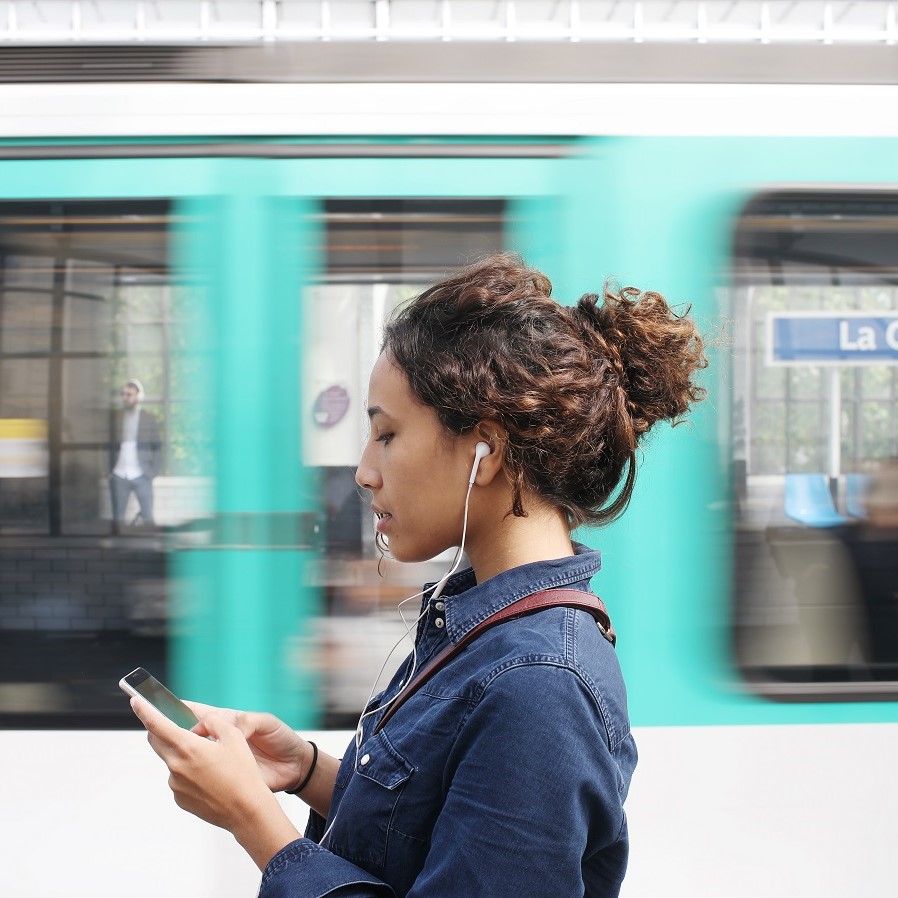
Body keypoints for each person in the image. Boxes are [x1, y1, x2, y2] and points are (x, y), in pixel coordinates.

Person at [128, 254, 707, 897]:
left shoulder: (538, 684)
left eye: (386, 434)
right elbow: (439, 830)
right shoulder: (489, 630)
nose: (363, 471)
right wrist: (306, 770)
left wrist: (253, 820)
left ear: (486, 450)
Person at [109, 378, 161, 529]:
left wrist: (153, 471)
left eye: (129, 394)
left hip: (142, 474)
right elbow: (107, 445)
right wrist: (107, 470)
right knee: (118, 519)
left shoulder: (148, 418)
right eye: (123, 394)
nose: (125, 398)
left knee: (148, 517)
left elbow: (157, 447)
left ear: (138, 396)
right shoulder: (116, 418)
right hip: (119, 474)